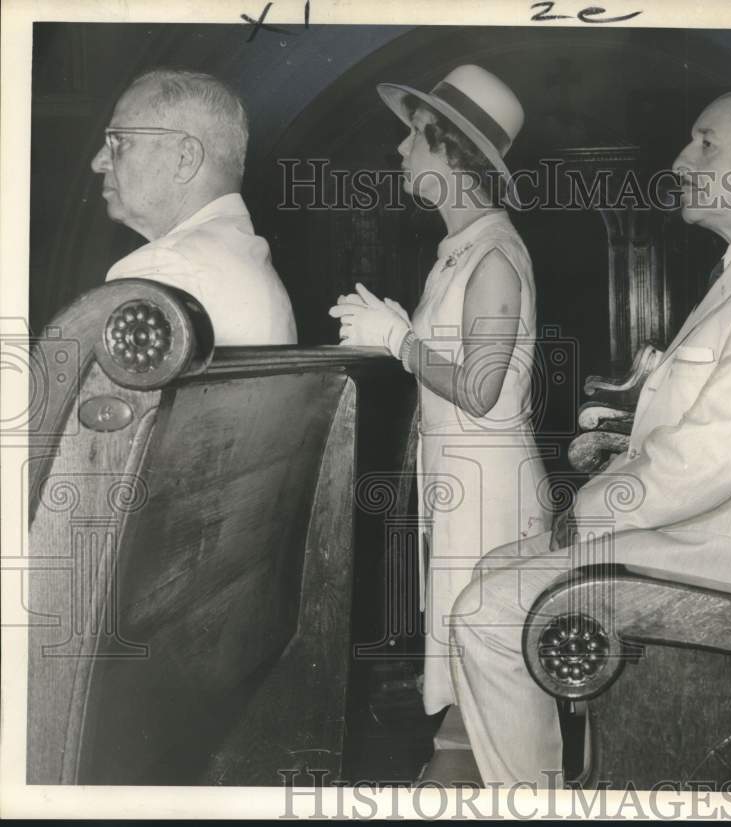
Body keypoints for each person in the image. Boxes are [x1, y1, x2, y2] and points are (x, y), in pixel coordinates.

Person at [445, 89, 731, 786]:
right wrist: (626, 431)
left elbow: (708, 461)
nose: (681, 159)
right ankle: (571, 780)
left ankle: (535, 801)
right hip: (701, 533)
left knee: (487, 612)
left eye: (707, 143)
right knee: (494, 571)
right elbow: (706, 431)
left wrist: (581, 515)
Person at [329, 66, 550, 758]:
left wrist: (397, 341)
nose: (401, 152)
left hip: (491, 494)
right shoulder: (460, 251)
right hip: (462, 487)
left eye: (414, 140)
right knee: (470, 687)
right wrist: (404, 332)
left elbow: (481, 389)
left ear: (451, 152)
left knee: (501, 690)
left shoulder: (492, 256)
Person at [90, 68, 297, 346]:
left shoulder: (164, 268)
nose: (99, 162)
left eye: (120, 141)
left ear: (185, 158)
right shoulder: (244, 254)